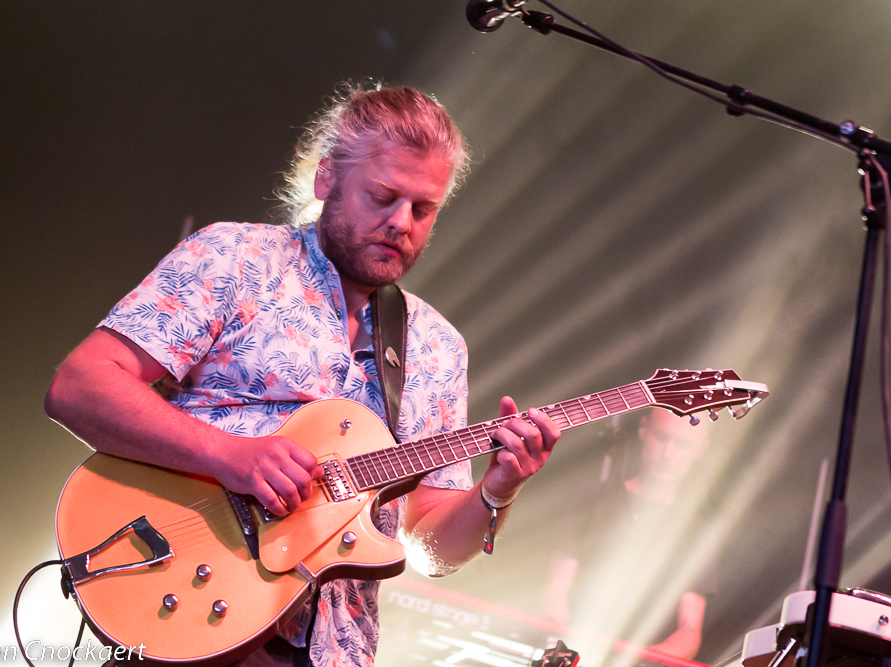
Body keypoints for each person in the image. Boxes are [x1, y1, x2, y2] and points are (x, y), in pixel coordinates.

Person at [44, 84, 561, 667]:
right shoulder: (235, 258)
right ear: (326, 179)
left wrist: (498, 491)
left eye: (423, 209)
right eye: (382, 196)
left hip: (330, 651)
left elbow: (428, 548)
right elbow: (79, 387)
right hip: (188, 607)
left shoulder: (438, 347)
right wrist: (229, 456)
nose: (401, 223)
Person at [543, 409, 714, 664]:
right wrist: (572, 649)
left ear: (701, 449)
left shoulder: (694, 528)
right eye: (662, 437)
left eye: (682, 444)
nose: (668, 454)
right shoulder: (593, 500)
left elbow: (689, 632)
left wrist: (633, 661)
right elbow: (556, 591)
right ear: (643, 428)